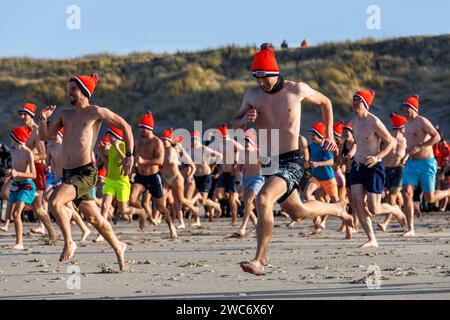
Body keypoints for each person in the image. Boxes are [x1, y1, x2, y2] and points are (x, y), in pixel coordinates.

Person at [231, 45, 353, 276]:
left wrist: (328, 134)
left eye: (264, 77)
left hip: (291, 159)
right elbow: (234, 122)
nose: (261, 83)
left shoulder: (296, 89)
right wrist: (245, 118)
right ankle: (337, 209)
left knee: (264, 198)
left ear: (274, 72)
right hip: (269, 160)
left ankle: (259, 260)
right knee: (298, 212)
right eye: (257, 77)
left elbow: (326, 102)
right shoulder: (252, 96)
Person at [39, 73, 131, 271]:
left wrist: (129, 154)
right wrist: (43, 119)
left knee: (55, 201)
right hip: (69, 174)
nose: (69, 91)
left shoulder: (95, 112)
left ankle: (69, 242)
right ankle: (119, 247)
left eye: (73, 88)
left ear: (84, 91)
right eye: (69, 87)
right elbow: (44, 135)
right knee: (95, 218)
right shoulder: (65, 114)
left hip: (86, 172)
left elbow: (125, 126)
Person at [348, 89, 406, 248]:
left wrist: (378, 157)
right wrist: (350, 154)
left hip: (373, 167)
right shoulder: (354, 121)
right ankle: (371, 239)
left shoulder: (374, 121)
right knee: (357, 202)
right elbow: (357, 143)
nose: (354, 102)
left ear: (365, 104)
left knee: (374, 209)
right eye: (353, 99)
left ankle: (394, 210)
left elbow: (391, 142)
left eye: (358, 100)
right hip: (357, 166)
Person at [401, 95, 450, 236]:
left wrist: (420, 146)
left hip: (427, 163)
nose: (404, 111)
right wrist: (405, 157)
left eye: (407, 108)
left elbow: (436, 137)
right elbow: (409, 145)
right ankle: (410, 229)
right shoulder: (406, 124)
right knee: (406, 193)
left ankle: (448, 192)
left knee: (430, 198)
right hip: (411, 164)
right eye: (403, 108)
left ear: (414, 108)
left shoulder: (422, 121)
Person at [94, 127, 146, 242]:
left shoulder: (123, 146)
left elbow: (127, 161)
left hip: (122, 182)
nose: (108, 137)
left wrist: (117, 147)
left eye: (110, 135)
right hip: (110, 181)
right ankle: (101, 233)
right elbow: (107, 166)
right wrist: (102, 152)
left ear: (116, 136)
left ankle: (141, 212)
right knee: (104, 206)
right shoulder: (111, 148)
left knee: (123, 211)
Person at [130, 112, 177, 239]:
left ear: (149, 128)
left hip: (153, 176)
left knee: (160, 207)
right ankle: (142, 213)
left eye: (142, 128)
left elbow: (160, 161)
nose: (140, 130)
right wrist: (132, 170)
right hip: (140, 176)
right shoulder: (138, 142)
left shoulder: (157, 142)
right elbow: (135, 159)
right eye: (139, 127)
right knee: (132, 199)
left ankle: (171, 227)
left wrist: (144, 161)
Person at [19, 103, 58, 243]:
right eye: (21, 114)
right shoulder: (23, 131)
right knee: (34, 208)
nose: (22, 117)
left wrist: (28, 158)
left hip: (37, 171)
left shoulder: (36, 131)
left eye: (25, 114)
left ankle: (53, 234)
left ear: (31, 115)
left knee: (39, 208)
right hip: (25, 171)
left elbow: (42, 155)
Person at [45, 128, 91, 242]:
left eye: (57, 134)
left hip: (66, 178)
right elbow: (47, 162)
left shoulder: (68, 147)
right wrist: (49, 165)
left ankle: (83, 229)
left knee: (67, 205)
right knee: (46, 197)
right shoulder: (50, 146)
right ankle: (83, 227)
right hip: (54, 178)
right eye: (54, 133)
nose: (54, 136)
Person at [2, 126, 35, 250]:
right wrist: (9, 176)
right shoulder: (13, 151)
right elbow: (14, 170)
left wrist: (17, 174)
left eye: (12, 137)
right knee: (8, 215)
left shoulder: (28, 153)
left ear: (18, 138)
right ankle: (33, 207)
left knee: (16, 214)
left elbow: (33, 174)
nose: (11, 140)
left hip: (27, 185)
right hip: (15, 185)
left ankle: (19, 243)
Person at [377, 113, 409, 231]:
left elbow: (410, 151)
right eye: (404, 125)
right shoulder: (387, 137)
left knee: (391, 198)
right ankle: (399, 211)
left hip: (399, 171)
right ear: (401, 126)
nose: (406, 128)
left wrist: (405, 159)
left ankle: (385, 223)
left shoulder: (406, 139)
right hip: (385, 170)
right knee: (388, 198)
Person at [233, 129, 263, 237]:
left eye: (246, 141)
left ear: (251, 142)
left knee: (249, 201)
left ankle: (243, 228)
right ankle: (258, 227)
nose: (244, 144)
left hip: (257, 179)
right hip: (246, 179)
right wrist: (238, 183)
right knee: (249, 204)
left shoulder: (259, 152)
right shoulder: (242, 153)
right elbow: (238, 168)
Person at [190, 131, 223, 226]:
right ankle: (197, 221)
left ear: (198, 140)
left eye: (194, 140)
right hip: (196, 177)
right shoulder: (191, 151)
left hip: (206, 176)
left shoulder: (204, 149)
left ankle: (216, 205)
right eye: (191, 140)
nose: (192, 142)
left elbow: (220, 156)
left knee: (202, 200)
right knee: (199, 200)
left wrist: (213, 165)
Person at [213, 124, 243, 226]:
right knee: (218, 195)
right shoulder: (219, 144)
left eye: (225, 138)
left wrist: (236, 164)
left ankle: (234, 220)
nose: (223, 140)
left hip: (232, 174)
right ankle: (234, 197)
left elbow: (243, 150)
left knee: (231, 200)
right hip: (224, 173)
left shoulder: (233, 143)